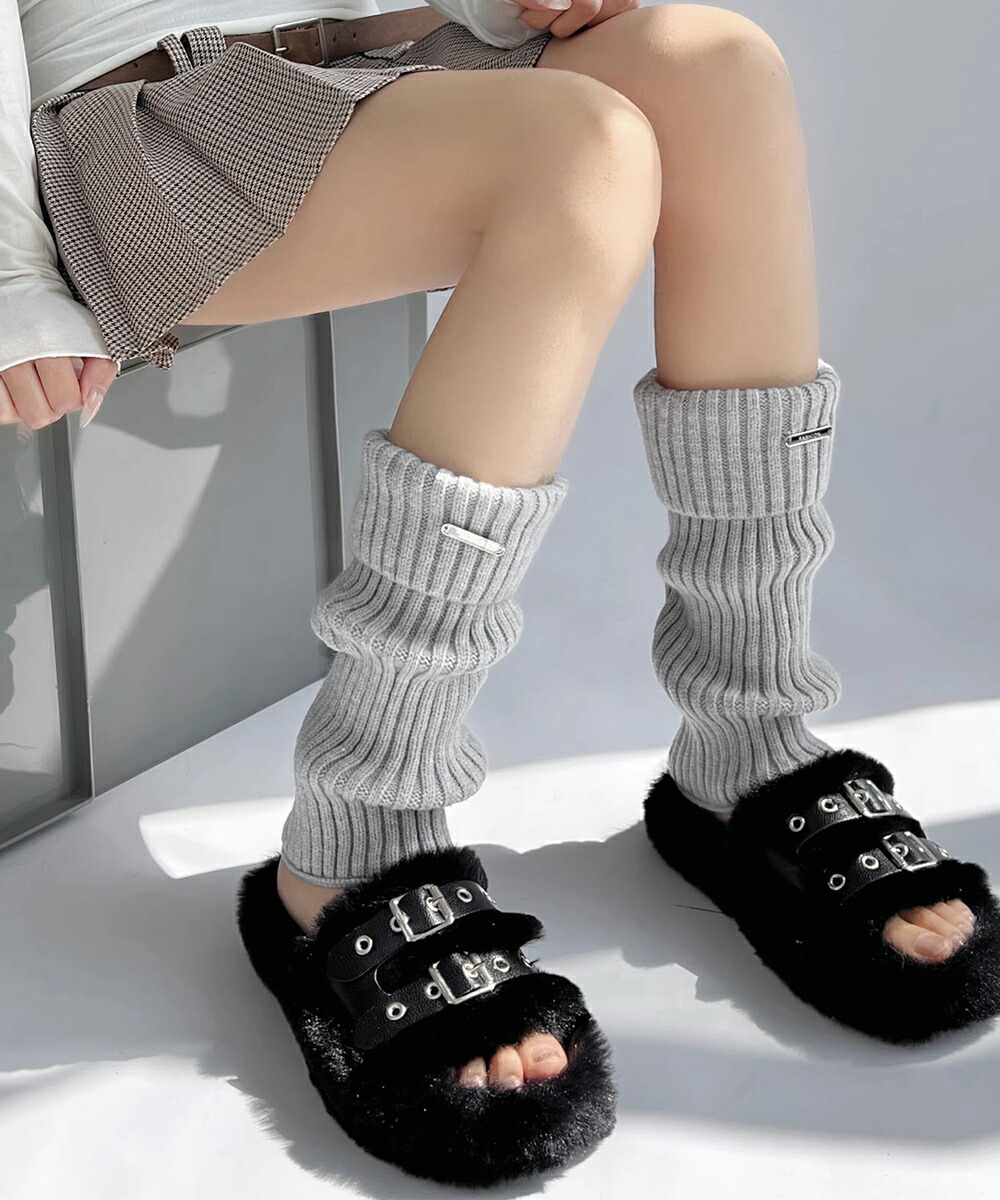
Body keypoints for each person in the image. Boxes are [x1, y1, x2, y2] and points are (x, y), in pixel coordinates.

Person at [4, 0, 999, 1187]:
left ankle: (749, 737)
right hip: (153, 115)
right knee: (579, 151)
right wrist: (10, 271)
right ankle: (356, 836)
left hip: (401, 47)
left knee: (717, 68)